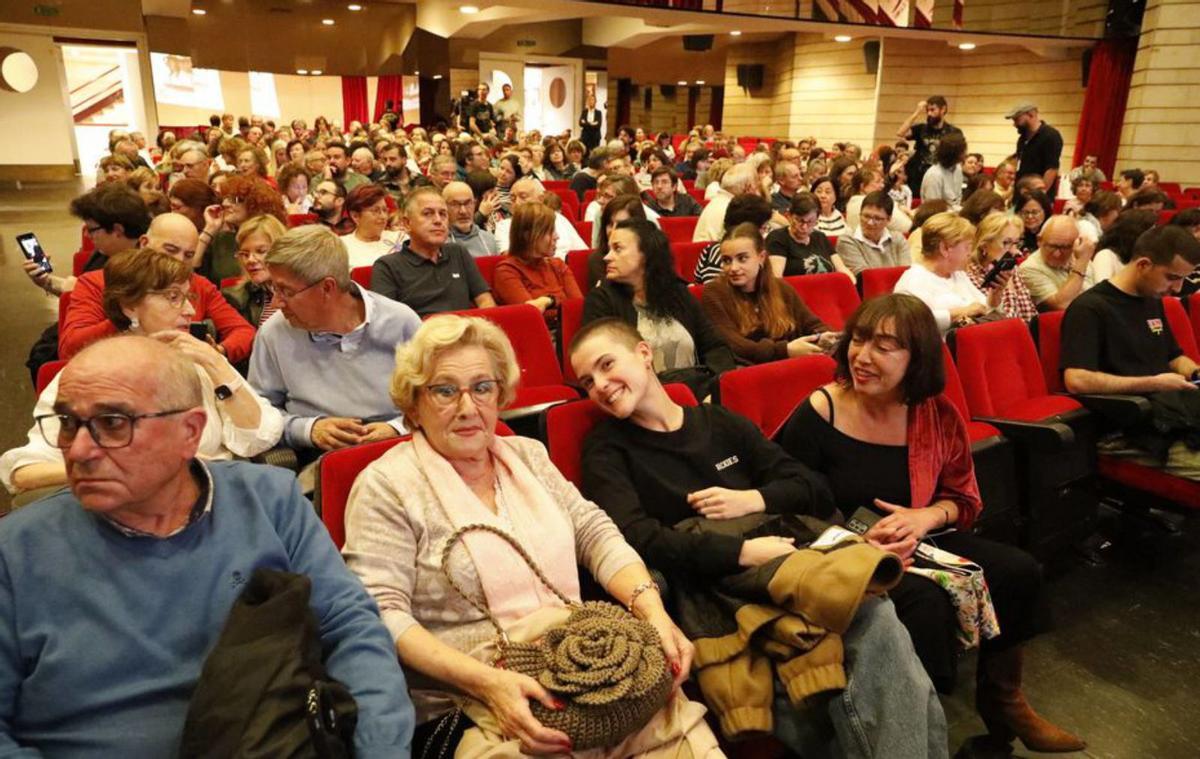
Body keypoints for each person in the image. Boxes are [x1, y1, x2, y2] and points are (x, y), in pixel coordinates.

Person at [0, 334, 414, 755]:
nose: (79, 450)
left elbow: (350, 628)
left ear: (189, 432)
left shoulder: (269, 502)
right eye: (68, 423)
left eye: (112, 424)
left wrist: (378, 749)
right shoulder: (15, 552)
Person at [570, 318, 948, 759]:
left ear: (644, 353)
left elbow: (809, 486)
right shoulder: (606, 449)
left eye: (606, 364)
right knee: (872, 630)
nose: (599, 385)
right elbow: (638, 539)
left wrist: (751, 499)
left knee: (876, 620)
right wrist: (743, 551)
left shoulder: (717, 421)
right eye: (586, 381)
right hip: (720, 594)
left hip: (787, 564)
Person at [342, 315, 719, 757]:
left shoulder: (528, 455)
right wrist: (490, 685)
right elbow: (383, 614)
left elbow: (594, 533)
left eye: (483, 387)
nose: (468, 407)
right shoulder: (385, 486)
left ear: (500, 395)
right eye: (445, 390)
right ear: (412, 405)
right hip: (473, 698)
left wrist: (654, 613)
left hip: (590, 670)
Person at [777, 294, 1085, 753]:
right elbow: (787, 504)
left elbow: (964, 500)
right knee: (924, 604)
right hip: (841, 552)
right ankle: (917, 726)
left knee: (1018, 570)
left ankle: (1005, 702)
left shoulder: (934, 413)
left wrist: (925, 516)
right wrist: (860, 541)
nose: (862, 356)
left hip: (922, 538)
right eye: (859, 339)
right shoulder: (821, 410)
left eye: (884, 346)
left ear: (916, 359)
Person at [3, 248, 283, 501]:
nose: (188, 310)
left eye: (188, 297)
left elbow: (259, 438)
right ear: (129, 306)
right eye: (173, 297)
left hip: (216, 501)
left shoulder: (200, 361)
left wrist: (217, 363)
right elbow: (25, 473)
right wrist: (132, 466)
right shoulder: (90, 375)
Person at [250, 225, 421, 466]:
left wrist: (397, 428)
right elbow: (258, 414)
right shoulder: (274, 333)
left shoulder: (401, 322)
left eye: (285, 291)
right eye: (274, 289)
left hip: (401, 451)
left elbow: (435, 400)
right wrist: (308, 430)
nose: (277, 302)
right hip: (322, 458)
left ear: (327, 287)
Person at [1062, 225, 1200, 479]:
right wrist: (1154, 382)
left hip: (1169, 419)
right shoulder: (1090, 308)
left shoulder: (1152, 299)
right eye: (1172, 277)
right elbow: (1077, 379)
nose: (1178, 289)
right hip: (1125, 431)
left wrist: (1194, 372)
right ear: (1144, 265)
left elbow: (1174, 356)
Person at [59, 212, 256, 363]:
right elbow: (70, 348)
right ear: (144, 243)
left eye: (189, 255)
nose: (179, 261)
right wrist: (132, 317)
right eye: (170, 250)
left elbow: (243, 331)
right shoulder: (97, 282)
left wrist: (217, 351)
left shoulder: (199, 284)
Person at [584, 220, 735, 397]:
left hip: (698, 392)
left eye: (617, 249)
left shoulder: (676, 292)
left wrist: (716, 389)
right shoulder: (601, 300)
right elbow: (607, 365)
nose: (607, 256)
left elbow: (715, 346)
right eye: (609, 249)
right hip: (643, 400)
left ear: (645, 254)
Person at [702, 223, 835, 364]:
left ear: (761, 257)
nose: (733, 268)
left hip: (791, 365)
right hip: (751, 372)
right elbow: (734, 345)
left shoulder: (780, 287)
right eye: (727, 260)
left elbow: (811, 323)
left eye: (742, 258)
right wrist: (785, 350)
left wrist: (822, 336)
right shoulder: (714, 293)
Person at [370, 188, 496, 317]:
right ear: (407, 223)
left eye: (443, 214)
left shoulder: (457, 252)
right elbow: (386, 322)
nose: (438, 220)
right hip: (420, 334)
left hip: (465, 332)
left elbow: (485, 300)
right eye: (428, 213)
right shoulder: (387, 266)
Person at [23, 183, 151, 299]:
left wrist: (81, 292)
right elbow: (74, 289)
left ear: (117, 230)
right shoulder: (102, 255)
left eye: (91, 229)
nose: (86, 234)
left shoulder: (149, 269)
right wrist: (46, 281)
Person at [893, 212, 1009, 333]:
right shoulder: (912, 282)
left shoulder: (957, 274)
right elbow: (914, 324)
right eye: (967, 247)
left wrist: (995, 295)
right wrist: (962, 312)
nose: (970, 253)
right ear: (945, 249)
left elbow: (983, 308)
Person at [492, 202, 583, 327]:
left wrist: (547, 301)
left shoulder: (558, 265)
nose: (557, 237)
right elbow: (531, 314)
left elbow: (578, 307)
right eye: (549, 231)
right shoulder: (507, 271)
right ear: (528, 235)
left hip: (568, 331)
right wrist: (555, 301)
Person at [194, 174, 287, 286]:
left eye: (234, 199)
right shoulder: (222, 240)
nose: (225, 204)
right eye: (224, 199)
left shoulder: (272, 237)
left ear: (254, 203)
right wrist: (210, 228)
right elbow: (191, 271)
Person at [966, 213, 1038, 322]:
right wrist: (1008, 286)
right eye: (1007, 243)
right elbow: (1005, 322)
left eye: (1017, 243)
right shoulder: (971, 276)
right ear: (985, 246)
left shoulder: (1011, 269)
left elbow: (1030, 315)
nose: (1015, 251)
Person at [766, 192, 853, 279]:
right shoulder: (778, 238)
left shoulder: (820, 237)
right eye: (800, 221)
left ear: (817, 219)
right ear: (789, 216)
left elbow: (841, 268)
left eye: (810, 222)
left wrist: (852, 282)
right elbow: (776, 278)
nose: (804, 227)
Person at [1017, 215, 1096, 311]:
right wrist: (1081, 264)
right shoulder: (1029, 268)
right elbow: (1062, 305)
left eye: (1065, 247)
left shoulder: (1079, 255)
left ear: (1076, 244)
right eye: (1052, 246)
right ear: (1039, 240)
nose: (1057, 254)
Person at [493, 178, 588, 256]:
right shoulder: (504, 226)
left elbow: (582, 254)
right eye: (512, 198)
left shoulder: (558, 218)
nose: (517, 203)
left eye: (523, 197)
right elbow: (509, 257)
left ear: (541, 199)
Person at [222, 214, 285, 327]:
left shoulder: (303, 294)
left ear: (281, 251)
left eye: (261, 251)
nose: (250, 260)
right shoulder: (238, 298)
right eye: (245, 254)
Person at [898, 96, 963, 199]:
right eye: (927, 110)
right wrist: (917, 112)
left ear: (943, 109)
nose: (929, 113)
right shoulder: (922, 129)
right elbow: (901, 133)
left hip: (940, 176)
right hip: (918, 175)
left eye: (933, 110)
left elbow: (958, 155)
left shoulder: (953, 132)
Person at [836, 191, 911, 276]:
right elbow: (865, 277)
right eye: (866, 216)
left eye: (877, 218)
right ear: (860, 214)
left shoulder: (898, 238)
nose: (870, 222)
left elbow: (907, 273)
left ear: (889, 219)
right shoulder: (847, 240)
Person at [1006, 102, 1064, 196]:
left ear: (1031, 114)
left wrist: (1039, 196)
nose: (1014, 124)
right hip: (1021, 193)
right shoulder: (1022, 139)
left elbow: (1052, 169)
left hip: (1037, 196)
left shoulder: (1050, 136)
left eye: (1017, 119)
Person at [340, 184, 401, 269]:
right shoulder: (342, 247)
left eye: (384, 210)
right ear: (355, 216)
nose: (383, 216)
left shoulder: (400, 237)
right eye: (376, 211)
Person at [1090, 209, 1158, 283]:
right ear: (1135, 234)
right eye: (1150, 234)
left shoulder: (1141, 258)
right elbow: (1101, 291)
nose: (1154, 238)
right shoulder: (1106, 255)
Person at [693, 163, 757, 242]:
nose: (757, 192)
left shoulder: (716, 202)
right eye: (756, 186)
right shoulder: (734, 210)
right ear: (748, 188)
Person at [444, 180, 500, 258]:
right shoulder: (439, 243)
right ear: (444, 207)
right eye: (455, 204)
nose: (463, 211)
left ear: (474, 204)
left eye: (467, 203)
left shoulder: (489, 239)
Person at [919, 133, 966, 210]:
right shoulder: (934, 175)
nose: (965, 154)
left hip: (954, 213)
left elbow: (957, 198)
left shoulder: (958, 168)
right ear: (953, 153)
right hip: (938, 217)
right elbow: (933, 208)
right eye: (963, 151)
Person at [1015, 190, 1052, 255]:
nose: (1030, 216)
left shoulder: (1052, 233)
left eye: (1035, 212)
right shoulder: (1015, 234)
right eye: (1025, 212)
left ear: (1045, 211)